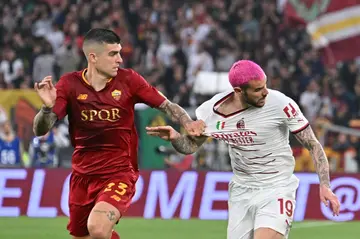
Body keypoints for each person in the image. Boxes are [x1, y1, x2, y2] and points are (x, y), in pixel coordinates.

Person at [32, 28, 205, 239]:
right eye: (113, 54)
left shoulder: (129, 80)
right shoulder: (69, 84)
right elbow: (41, 128)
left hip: (119, 173)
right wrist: (47, 108)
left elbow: (168, 106)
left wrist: (188, 122)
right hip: (82, 176)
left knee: (97, 227)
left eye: (120, 53)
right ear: (93, 57)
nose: (120, 59)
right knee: (85, 235)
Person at [146, 60, 340, 239]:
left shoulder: (281, 104)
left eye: (265, 85)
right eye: (258, 90)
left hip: (277, 187)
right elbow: (190, 147)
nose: (265, 92)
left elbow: (313, 144)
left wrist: (325, 185)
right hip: (241, 190)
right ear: (238, 91)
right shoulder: (211, 112)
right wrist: (175, 138)